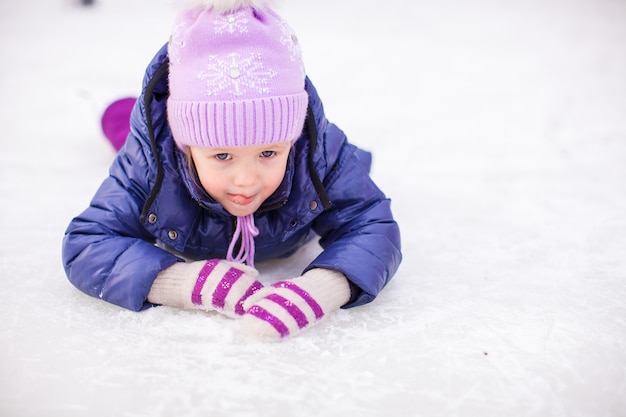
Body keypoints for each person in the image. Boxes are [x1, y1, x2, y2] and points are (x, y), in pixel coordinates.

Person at [62, 0, 402, 341]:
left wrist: (324, 287)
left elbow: (371, 223)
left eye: (268, 152)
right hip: (160, 153)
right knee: (127, 134)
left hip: (324, 158)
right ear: (187, 146)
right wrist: (185, 282)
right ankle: (120, 114)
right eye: (223, 155)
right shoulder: (150, 165)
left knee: (351, 164)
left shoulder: (319, 152)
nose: (246, 179)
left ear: (294, 138)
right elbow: (87, 245)